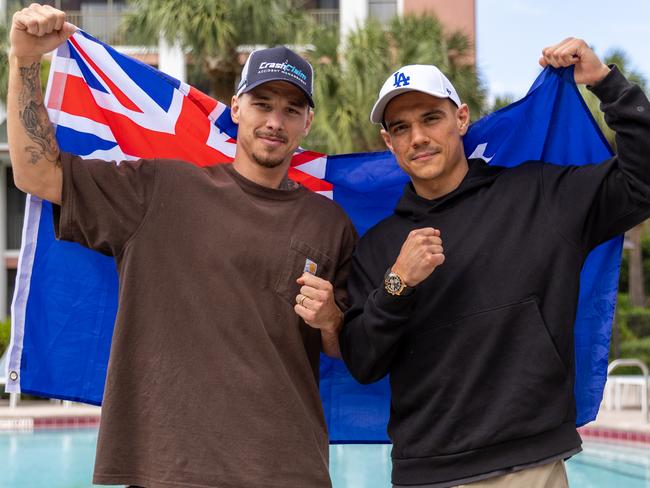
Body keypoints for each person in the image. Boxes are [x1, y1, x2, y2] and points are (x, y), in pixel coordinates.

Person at [8, 4, 357, 487]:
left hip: (285, 469)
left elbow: (346, 347)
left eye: (291, 109)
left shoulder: (330, 223)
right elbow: (35, 173)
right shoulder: (158, 189)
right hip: (164, 467)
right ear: (236, 108)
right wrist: (25, 60)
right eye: (262, 104)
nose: (275, 120)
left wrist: (331, 319)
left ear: (307, 122)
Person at [340, 38, 650, 487]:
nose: (419, 137)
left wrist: (606, 83)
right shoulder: (379, 247)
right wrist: (397, 284)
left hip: (530, 467)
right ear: (389, 142)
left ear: (461, 118)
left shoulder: (538, 195)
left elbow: (642, 183)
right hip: (427, 474)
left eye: (431, 118)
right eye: (401, 128)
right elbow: (363, 361)